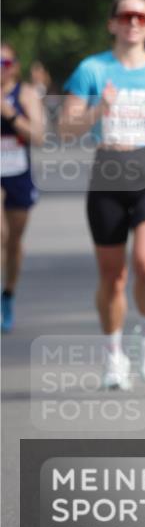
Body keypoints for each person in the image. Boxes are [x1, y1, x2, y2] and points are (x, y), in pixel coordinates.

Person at [60, 0, 145, 388]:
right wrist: (101, 108)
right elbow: (65, 129)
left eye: (141, 16)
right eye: (126, 15)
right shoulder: (92, 70)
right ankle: (114, 355)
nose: (134, 22)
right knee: (113, 276)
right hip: (108, 174)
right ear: (112, 23)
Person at [1, 44, 44, 333]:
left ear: (14, 65)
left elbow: (40, 136)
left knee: (13, 243)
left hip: (17, 173)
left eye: (4, 62)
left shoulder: (25, 94)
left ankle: (8, 294)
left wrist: (10, 115)